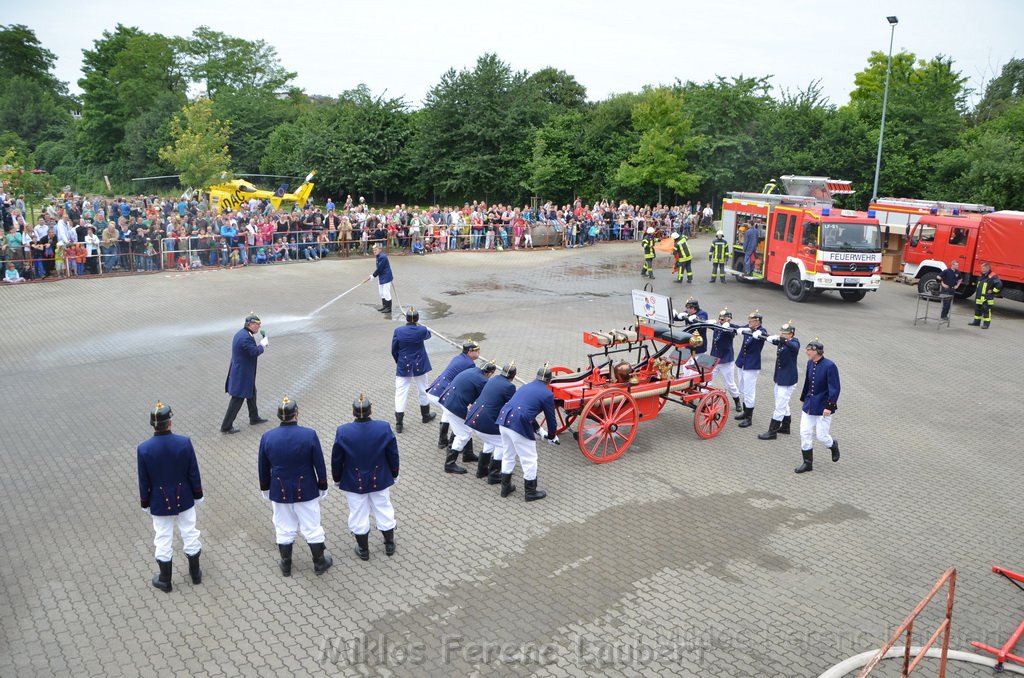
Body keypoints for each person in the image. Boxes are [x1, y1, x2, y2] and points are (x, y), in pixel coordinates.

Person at [258, 396, 333, 576]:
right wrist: (322, 485)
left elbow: (263, 466)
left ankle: (286, 564)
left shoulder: (267, 437)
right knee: (312, 525)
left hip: (279, 488)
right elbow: (319, 464)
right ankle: (319, 563)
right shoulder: (309, 434)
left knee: (283, 526)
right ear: (296, 415)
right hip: (306, 488)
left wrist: (265, 487)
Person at [137, 401, 204, 593]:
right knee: (190, 532)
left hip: (159, 500)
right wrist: (197, 494)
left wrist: (145, 502)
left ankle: (165, 580)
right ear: (170, 423)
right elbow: (193, 472)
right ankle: (195, 574)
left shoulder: (143, 449)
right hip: (184, 497)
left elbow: (144, 481)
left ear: (153, 424)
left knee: (163, 537)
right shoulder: (184, 442)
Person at [331, 394, 400, 560]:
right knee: (383, 508)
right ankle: (389, 544)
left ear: (353, 413)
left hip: (353, 480)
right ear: (371, 411)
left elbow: (337, 459)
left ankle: (363, 549)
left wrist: (337, 478)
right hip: (380, 477)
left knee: (358, 512)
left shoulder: (343, 431)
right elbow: (393, 453)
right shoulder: (383, 427)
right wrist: (394, 472)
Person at [496, 365, 558, 502]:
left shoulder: (526, 386)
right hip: (518, 425)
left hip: (504, 420)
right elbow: (551, 419)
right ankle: (530, 492)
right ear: (549, 381)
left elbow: (525, 409)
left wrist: (539, 430)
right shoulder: (548, 394)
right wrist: (552, 436)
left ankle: (505, 488)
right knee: (529, 459)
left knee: (508, 455)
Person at [439, 361, 496, 474]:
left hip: (447, 400)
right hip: (454, 406)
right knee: (464, 435)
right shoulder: (483, 381)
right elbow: (483, 400)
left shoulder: (472, 370)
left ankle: (468, 454)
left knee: (465, 428)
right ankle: (449, 464)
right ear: (490, 373)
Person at [467, 362, 518, 483]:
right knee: (502, 444)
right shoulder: (509, 387)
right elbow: (512, 405)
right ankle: (494, 475)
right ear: (513, 376)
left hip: (475, 418)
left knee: (489, 441)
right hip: (486, 421)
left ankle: (482, 470)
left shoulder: (494, 379)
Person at [795, 339, 841, 474]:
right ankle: (807, 463)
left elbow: (835, 388)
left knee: (821, 436)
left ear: (816, 351)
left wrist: (829, 406)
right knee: (805, 432)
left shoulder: (829, 366)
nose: (806, 352)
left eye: (809, 350)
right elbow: (808, 382)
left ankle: (832, 445)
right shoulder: (810, 363)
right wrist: (803, 397)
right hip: (809, 405)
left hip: (823, 407)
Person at [426, 341, 481, 449]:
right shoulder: (470, 363)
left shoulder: (459, 357)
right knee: (458, 419)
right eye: (477, 350)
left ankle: (443, 441)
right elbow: (469, 382)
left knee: (447, 413)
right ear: (470, 352)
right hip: (441, 393)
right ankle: (454, 445)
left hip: (434, 391)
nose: (479, 352)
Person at [220, 313, 270, 434]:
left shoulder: (242, 333)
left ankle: (254, 417)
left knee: (252, 392)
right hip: (242, 374)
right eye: (257, 324)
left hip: (244, 372)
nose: (259, 327)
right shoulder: (246, 338)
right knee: (237, 399)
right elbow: (254, 352)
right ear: (250, 324)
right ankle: (226, 426)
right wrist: (262, 345)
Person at [391, 307, 436, 433]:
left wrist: (399, 361)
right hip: (419, 363)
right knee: (423, 390)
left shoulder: (398, 331)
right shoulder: (421, 330)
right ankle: (425, 416)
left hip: (403, 364)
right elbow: (428, 335)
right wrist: (423, 326)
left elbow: (394, 350)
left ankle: (399, 423)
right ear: (417, 318)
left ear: (406, 318)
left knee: (401, 393)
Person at [758, 322, 801, 440]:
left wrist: (783, 340)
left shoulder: (794, 342)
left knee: (780, 405)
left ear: (791, 334)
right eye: (781, 333)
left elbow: (794, 347)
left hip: (788, 379)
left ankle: (772, 432)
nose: (782, 335)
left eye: (785, 333)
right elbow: (773, 339)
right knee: (781, 401)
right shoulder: (782, 341)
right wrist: (763, 335)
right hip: (780, 377)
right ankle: (786, 426)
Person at [734, 311, 768, 428]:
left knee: (749, 392)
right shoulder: (749, 328)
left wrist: (757, 332)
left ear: (757, 322)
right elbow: (738, 327)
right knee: (742, 388)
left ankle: (749, 418)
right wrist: (728, 325)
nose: (749, 322)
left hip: (751, 366)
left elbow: (763, 333)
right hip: (743, 363)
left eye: (752, 321)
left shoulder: (761, 331)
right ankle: (745, 412)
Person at [709, 308, 742, 411]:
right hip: (714, 358)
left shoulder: (730, 328)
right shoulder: (717, 325)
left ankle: (737, 401)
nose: (721, 321)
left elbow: (733, 332)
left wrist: (727, 327)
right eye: (720, 319)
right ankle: (703, 400)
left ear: (729, 319)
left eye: (723, 319)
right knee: (708, 380)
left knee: (730, 383)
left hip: (725, 360)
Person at [968, 262, 1002, 329]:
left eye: (984, 269)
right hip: (979, 297)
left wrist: (992, 291)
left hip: (987, 298)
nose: (982, 270)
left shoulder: (993, 276)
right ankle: (976, 322)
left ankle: (986, 325)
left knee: (986, 311)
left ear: (988, 268)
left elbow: (999, 285)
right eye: (982, 268)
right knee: (977, 310)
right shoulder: (982, 275)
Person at [371, 242, 393, 315]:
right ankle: (384, 306)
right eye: (374, 250)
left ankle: (389, 308)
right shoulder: (378, 256)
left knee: (386, 293)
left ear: (380, 249)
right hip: (381, 276)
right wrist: (374, 275)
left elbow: (380, 268)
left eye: (376, 250)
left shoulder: (382, 257)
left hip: (386, 277)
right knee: (381, 293)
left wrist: (373, 275)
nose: (374, 251)